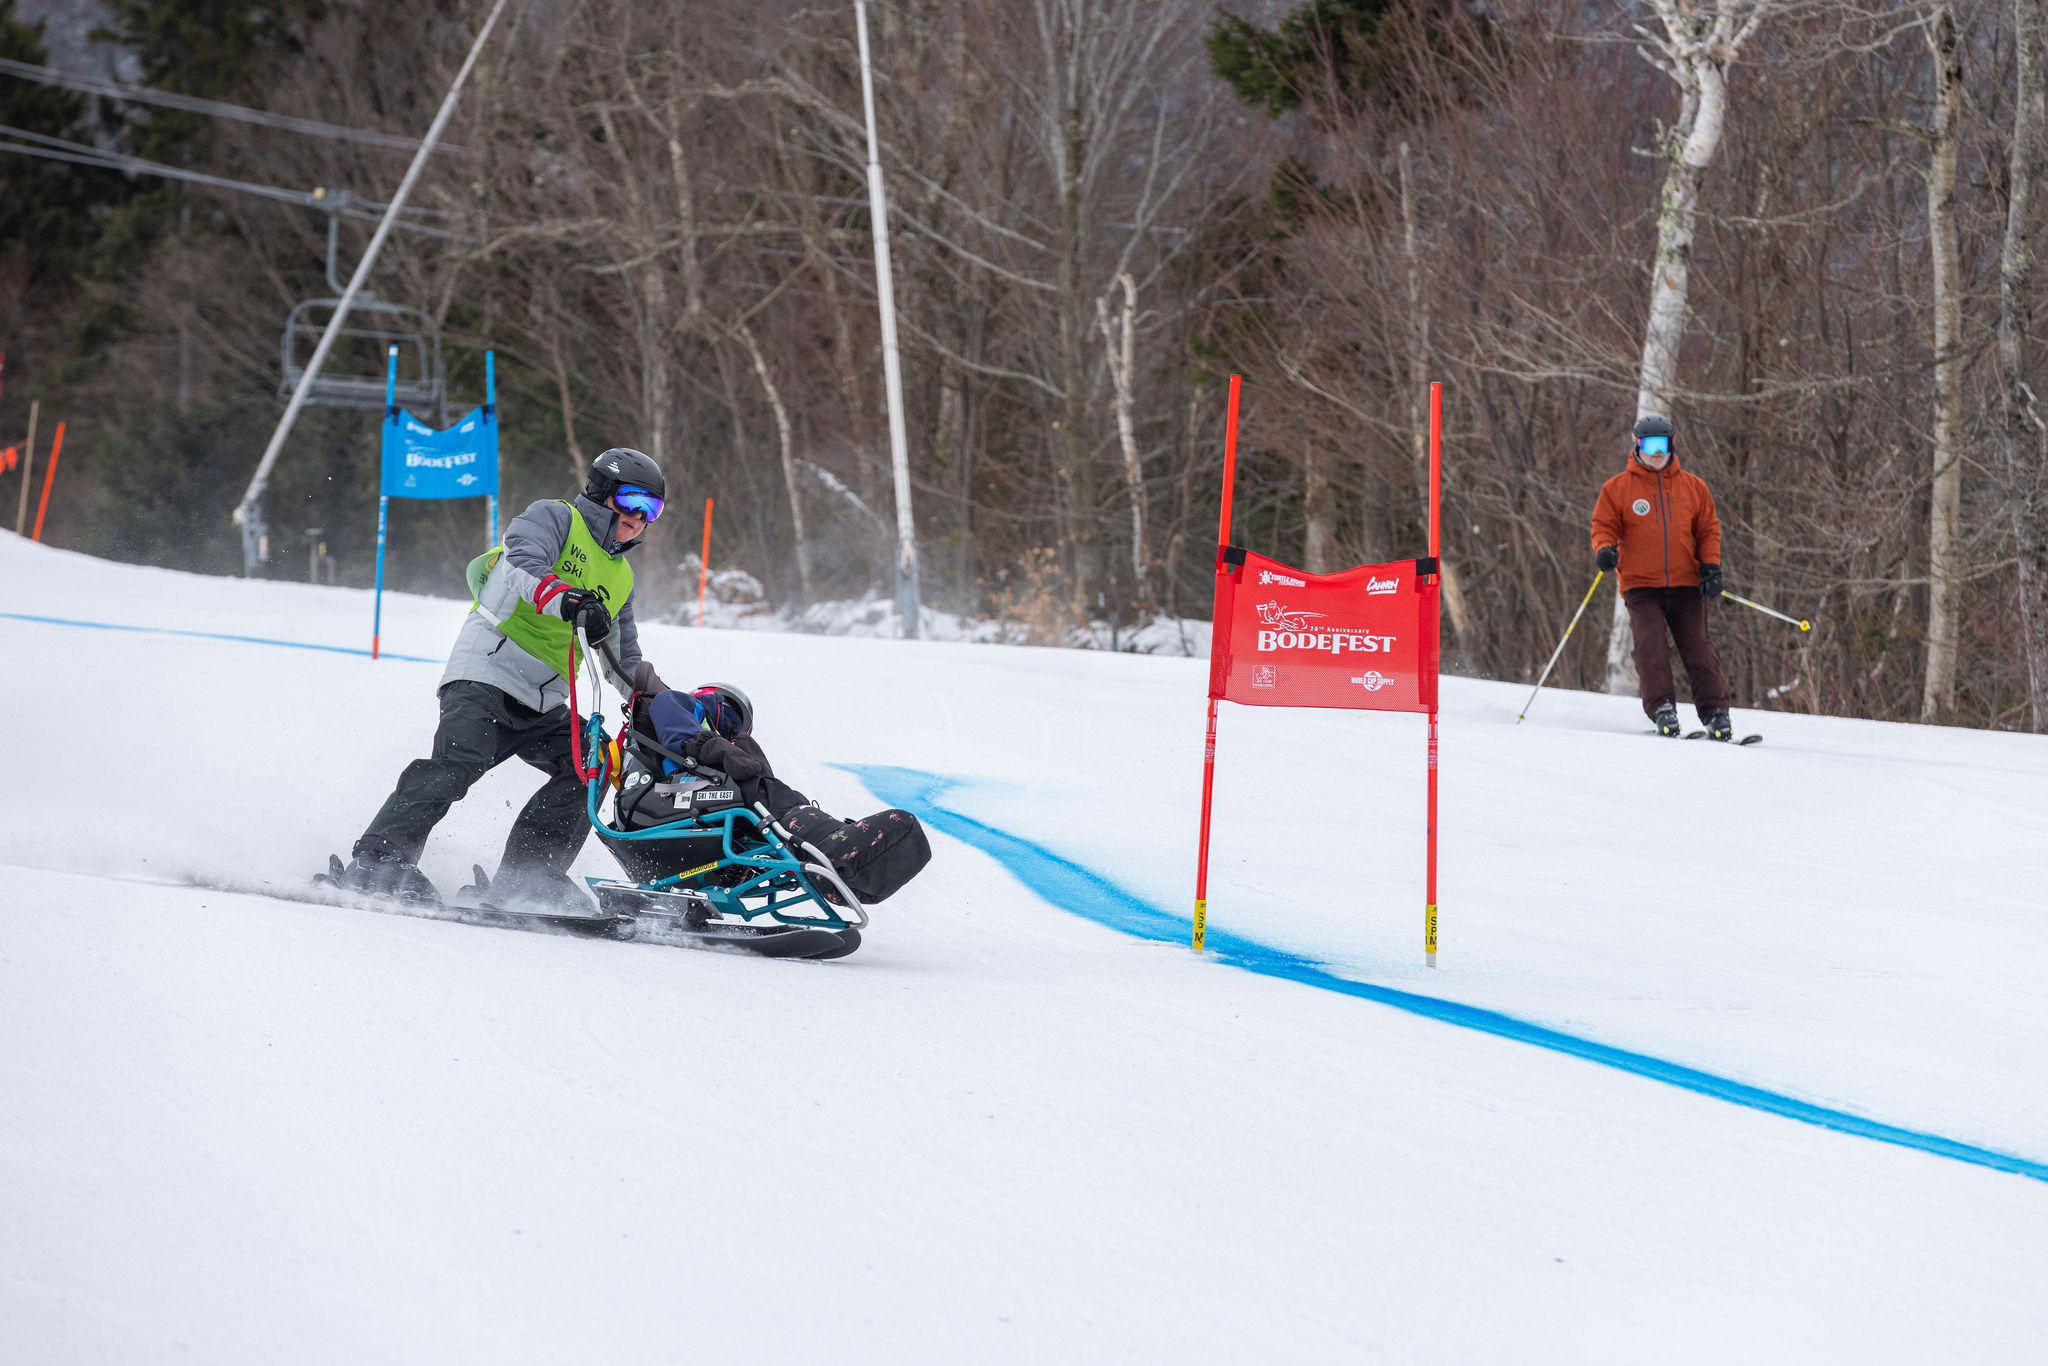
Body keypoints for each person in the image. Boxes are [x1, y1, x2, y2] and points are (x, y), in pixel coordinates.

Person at [329, 448, 672, 907]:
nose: (639, 517)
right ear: (601, 492)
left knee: (592, 764)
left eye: (652, 509)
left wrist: (661, 705)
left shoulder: (621, 577)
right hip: (486, 675)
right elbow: (521, 563)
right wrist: (569, 599)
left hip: (543, 702)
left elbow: (623, 656)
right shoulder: (555, 518)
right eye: (631, 501)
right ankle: (379, 860)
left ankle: (529, 877)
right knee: (458, 762)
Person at [607, 682, 931, 906]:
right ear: (716, 700)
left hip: (670, 806)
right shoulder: (676, 703)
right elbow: (673, 717)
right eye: (732, 717)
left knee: (758, 793)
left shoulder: (713, 742)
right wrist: (714, 746)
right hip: (666, 797)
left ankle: (810, 857)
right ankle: (825, 840)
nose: (733, 729)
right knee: (760, 789)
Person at [1590, 413, 1734, 739]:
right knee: (1650, 646)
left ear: (1672, 445)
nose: (1657, 452)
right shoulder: (1617, 488)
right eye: (1650, 445)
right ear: (1637, 446)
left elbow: (1708, 531)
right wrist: (1604, 549)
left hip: (1687, 585)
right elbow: (1603, 526)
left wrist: (1711, 566)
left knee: (1699, 649)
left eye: (1663, 445)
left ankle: (1716, 713)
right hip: (1641, 586)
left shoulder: (1693, 487)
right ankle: (1662, 709)